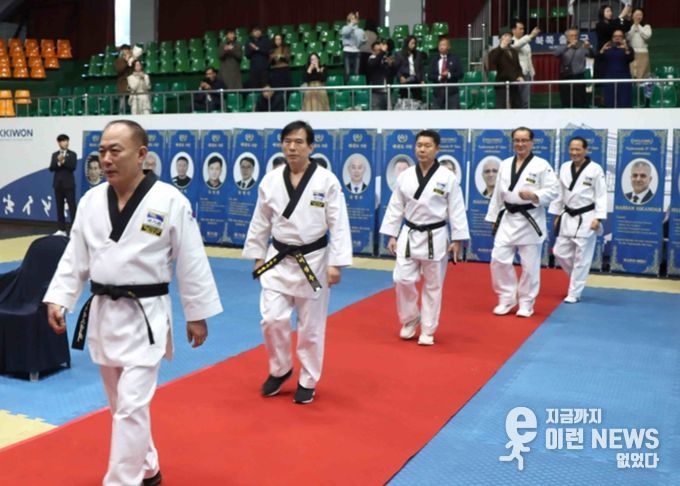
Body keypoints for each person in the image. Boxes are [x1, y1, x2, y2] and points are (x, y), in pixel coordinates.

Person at [43, 120, 222, 486]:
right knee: (121, 405)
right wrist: (60, 297)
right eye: (102, 152)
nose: (106, 159)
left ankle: (122, 481)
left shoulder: (170, 200)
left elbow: (190, 259)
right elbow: (75, 256)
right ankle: (149, 466)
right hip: (104, 314)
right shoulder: (91, 201)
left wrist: (197, 313)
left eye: (115, 151)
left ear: (141, 154)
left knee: (131, 406)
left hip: (146, 318)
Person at [242, 120, 352, 404]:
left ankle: (308, 379)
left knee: (310, 327)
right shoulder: (270, 181)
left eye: (299, 142)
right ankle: (280, 368)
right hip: (278, 259)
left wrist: (336, 263)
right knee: (271, 319)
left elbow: (338, 223)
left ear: (310, 147)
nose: (292, 147)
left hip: (313, 260)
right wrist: (257, 255)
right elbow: (260, 220)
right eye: (287, 141)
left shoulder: (326, 181)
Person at [379, 130, 469, 345]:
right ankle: (410, 319)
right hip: (409, 233)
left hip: (435, 235)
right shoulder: (406, 175)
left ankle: (428, 329)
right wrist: (391, 234)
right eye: (419, 145)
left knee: (433, 285)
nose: (422, 149)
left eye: (427, 146)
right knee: (402, 279)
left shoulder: (447, 177)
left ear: (437, 149)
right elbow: (395, 206)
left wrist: (457, 240)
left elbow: (456, 209)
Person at [485, 127, 559, 317]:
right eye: (517, 140)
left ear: (532, 143)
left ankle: (526, 303)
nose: (520, 144)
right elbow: (497, 194)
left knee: (529, 266)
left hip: (530, 220)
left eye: (524, 140)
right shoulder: (505, 164)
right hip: (507, 218)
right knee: (498, 259)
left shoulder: (541, 165)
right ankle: (506, 298)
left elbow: (554, 191)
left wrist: (535, 195)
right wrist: (493, 217)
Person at [549, 137, 607, 303]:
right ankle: (578, 279)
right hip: (567, 215)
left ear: (585, 150)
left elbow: (601, 195)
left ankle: (574, 293)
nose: (574, 152)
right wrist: (556, 214)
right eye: (572, 149)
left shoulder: (595, 169)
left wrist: (598, 218)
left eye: (578, 149)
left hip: (587, 217)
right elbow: (559, 192)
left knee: (582, 258)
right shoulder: (564, 167)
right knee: (559, 252)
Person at [553, 27, 594, 108]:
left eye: (576, 35)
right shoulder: (562, 47)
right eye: (572, 35)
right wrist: (569, 46)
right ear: (567, 37)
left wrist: (589, 48)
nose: (574, 37)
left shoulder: (583, 46)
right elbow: (556, 54)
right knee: (566, 102)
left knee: (580, 102)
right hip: (566, 77)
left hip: (579, 77)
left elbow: (592, 56)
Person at [594, 3, 631, 85]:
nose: (610, 13)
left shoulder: (614, 23)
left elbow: (626, 28)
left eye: (610, 11)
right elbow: (608, 28)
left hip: (614, 53)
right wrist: (621, 16)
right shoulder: (599, 25)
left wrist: (628, 17)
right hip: (603, 55)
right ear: (602, 13)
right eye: (607, 11)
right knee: (603, 80)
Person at [598, 29, 635, 108]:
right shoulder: (607, 48)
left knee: (624, 101)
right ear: (612, 38)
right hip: (609, 78)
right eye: (615, 36)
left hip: (624, 78)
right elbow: (599, 58)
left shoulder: (628, 48)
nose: (617, 38)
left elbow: (630, 58)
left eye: (620, 36)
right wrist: (602, 49)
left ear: (623, 37)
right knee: (609, 101)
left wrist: (626, 48)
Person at [49, 134, 77, 234]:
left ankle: (75, 230)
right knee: (59, 207)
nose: (66, 143)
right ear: (59, 143)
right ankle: (62, 229)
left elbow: (72, 167)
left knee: (72, 208)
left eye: (67, 141)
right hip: (58, 185)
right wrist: (58, 163)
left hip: (69, 185)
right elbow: (51, 168)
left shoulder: (72, 154)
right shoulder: (55, 155)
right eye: (64, 141)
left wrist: (63, 161)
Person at [488, 31, 523, 109]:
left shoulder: (514, 51)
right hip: (502, 83)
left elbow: (518, 67)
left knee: (517, 106)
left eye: (510, 36)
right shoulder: (495, 51)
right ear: (500, 38)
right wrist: (501, 48)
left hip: (514, 83)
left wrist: (520, 75)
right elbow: (492, 62)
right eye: (505, 36)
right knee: (501, 106)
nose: (508, 38)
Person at [510, 19, 540, 108]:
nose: (523, 31)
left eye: (523, 29)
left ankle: (525, 116)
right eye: (520, 29)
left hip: (526, 74)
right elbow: (516, 45)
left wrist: (532, 74)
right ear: (513, 30)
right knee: (516, 101)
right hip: (516, 75)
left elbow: (529, 60)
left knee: (525, 101)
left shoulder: (526, 43)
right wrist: (531, 36)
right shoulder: (511, 41)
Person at [427, 37, 463, 109]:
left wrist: (449, 75)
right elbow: (429, 75)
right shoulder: (434, 59)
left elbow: (460, 74)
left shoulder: (455, 58)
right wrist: (439, 77)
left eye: (443, 45)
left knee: (453, 114)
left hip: (452, 93)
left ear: (449, 47)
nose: (441, 47)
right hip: (437, 93)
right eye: (440, 45)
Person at [394, 36, 425, 103]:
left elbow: (421, 68)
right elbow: (396, 68)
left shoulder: (418, 54)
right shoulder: (399, 54)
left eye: (414, 43)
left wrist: (422, 80)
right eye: (412, 43)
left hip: (416, 80)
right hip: (405, 80)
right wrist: (400, 77)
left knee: (418, 100)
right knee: (404, 101)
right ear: (407, 43)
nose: (413, 45)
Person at [366, 39, 395, 110]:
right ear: (373, 51)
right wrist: (382, 52)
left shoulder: (385, 60)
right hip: (376, 93)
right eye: (378, 50)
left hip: (388, 92)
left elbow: (393, 74)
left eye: (380, 50)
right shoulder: (371, 59)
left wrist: (391, 65)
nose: (380, 52)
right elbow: (374, 63)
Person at [626, 8, 652, 80]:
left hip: (643, 53)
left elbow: (647, 36)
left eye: (640, 15)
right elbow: (628, 37)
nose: (638, 16)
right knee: (632, 73)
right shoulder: (629, 26)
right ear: (632, 16)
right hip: (632, 53)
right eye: (636, 14)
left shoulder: (646, 26)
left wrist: (638, 25)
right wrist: (634, 25)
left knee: (642, 75)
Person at [340, 11, 365, 82]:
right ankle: (346, 87)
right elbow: (345, 33)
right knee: (347, 72)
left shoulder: (360, 30)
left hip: (356, 52)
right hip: (347, 51)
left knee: (356, 72)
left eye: (355, 18)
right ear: (349, 20)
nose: (354, 20)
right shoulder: (345, 28)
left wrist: (364, 40)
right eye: (352, 18)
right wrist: (351, 25)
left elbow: (360, 42)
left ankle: (356, 87)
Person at [114, 44, 136, 114]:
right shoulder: (119, 61)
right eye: (124, 50)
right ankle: (121, 115)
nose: (125, 51)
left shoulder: (133, 60)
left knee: (133, 105)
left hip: (132, 85)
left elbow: (136, 69)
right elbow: (119, 70)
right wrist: (126, 62)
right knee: (122, 105)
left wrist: (131, 60)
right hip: (122, 85)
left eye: (127, 50)